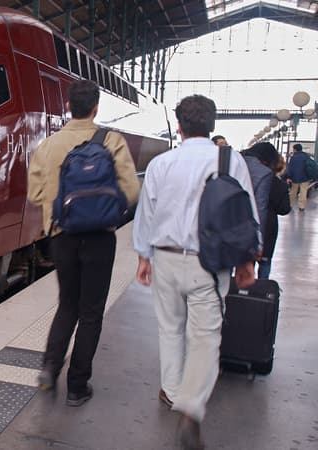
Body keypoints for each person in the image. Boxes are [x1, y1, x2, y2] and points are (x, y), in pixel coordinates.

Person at [133, 94, 258, 449]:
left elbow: (147, 213)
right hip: (211, 262)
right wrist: (247, 261)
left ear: (179, 126)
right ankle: (190, 407)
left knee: (170, 328)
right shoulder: (230, 161)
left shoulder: (162, 163)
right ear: (212, 125)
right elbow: (245, 213)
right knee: (205, 337)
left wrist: (143, 256)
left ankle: (172, 392)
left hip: (166, 257)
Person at [28, 80, 139, 407]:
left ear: (68, 106)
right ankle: (77, 386)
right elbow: (131, 191)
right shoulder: (112, 141)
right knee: (91, 312)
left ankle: (50, 367)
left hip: (63, 237)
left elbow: (35, 194)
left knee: (67, 304)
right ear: (95, 108)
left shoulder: (48, 145)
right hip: (100, 239)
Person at [257, 151, 291, 279]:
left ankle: (241, 293)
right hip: (269, 225)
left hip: (250, 224)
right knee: (265, 262)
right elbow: (284, 209)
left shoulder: (252, 179)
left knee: (246, 262)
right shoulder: (279, 184)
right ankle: (261, 291)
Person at [286, 143, 311, 211]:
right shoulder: (306, 156)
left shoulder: (293, 158)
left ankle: (290, 205)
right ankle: (302, 206)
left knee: (293, 192)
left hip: (295, 178)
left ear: (295, 149)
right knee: (303, 192)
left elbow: (290, 168)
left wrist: (288, 177)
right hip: (305, 178)